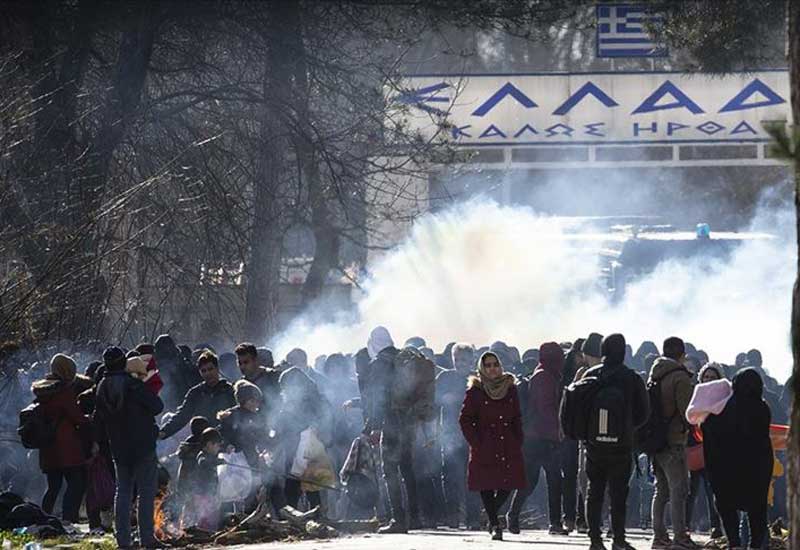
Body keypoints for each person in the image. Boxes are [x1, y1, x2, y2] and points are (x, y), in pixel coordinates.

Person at [94, 346, 164, 549]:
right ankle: (147, 539)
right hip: (142, 445)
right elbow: (157, 406)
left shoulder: (101, 387)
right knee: (146, 492)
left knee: (122, 492)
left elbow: (98, 420)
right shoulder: (133, 385)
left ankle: (123, 541)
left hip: (118, 447)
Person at [583, 334, 649, 550]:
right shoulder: (631, 378)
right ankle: (618, 539)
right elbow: (644, 412)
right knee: (619, 494)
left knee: (595, 492)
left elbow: (578, 409)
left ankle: (595, 539)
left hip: (594, 445)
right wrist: (628, 429)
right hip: (621, 445)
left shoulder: (590, 375)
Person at [459, 351, 526, 541]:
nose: (492, 368)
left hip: (508, 442)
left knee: (509, 482)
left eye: (495, 364)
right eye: (487, 365)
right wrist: (476, 441)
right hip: (485, 443)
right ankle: (495, 524)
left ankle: (491, 513)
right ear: (482, 368)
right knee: (486, 484)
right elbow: (465, 419)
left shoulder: (510, 387)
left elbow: (517, 416)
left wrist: (518, 437)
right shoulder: (476, 391)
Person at [702, 369, 772, 550]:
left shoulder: (724, 408)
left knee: (727, 506)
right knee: (757, 509)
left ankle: (734, 543)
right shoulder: (762, 408)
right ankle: (755, 545)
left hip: (727, 471)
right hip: (756, 470)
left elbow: (709, 430)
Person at [507, 342, 567, 535]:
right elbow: (545, 409)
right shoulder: (544, 377)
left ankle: (552, 522)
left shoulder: (547, 374)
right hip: (540, 438)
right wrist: (557, 432)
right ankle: (518, 516)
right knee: (540, 480)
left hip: (538, 437)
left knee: (545, 480)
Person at [649, 337, 699, 550]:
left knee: (661, 491)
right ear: (682, 354)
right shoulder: (679, 377)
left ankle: (659, 536)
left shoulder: (655, 374)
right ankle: (680, 536)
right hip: (674, 440)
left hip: (655, 441)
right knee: (679, 491)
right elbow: (687, 411)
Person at [32, 353, 91, 524]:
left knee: (53, 487)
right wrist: (89, 420)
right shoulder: (63, 392)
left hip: (48, 447)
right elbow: (77, 417)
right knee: (76, 484)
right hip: (66, 447)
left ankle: (42, 518)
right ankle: (68, 519)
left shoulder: (43, 390)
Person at [437, 343, 482, 530]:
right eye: (457, 360)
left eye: (464, 360)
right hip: (450, 434)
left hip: (473, 436)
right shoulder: (445, 377)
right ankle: (453, 517)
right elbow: (433, 400)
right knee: (451, 477)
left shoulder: (478, 380)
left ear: (471, 360)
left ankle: (473, 519)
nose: (460, 363)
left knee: (474, 478)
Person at [159, 350, 235, 440]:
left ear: (217, 369)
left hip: (227, 441)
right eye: (203, 371)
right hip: (203, 442)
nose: (207, 373)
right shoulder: (196, 393)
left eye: (210, 369)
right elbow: (182, 416)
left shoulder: (230, 391)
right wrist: (164, 432)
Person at [686, 364, 723, 539]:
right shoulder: (695, 395)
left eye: (712, 377)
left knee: (712, 492)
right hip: (693, 449)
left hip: (714, 451)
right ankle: (684, 526)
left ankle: (716, 527)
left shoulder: (723, 397)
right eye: (706, 377)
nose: (708, 380)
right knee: (689, 492)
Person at [561, 338, 586, 532]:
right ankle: (568, 517)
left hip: (584, 432)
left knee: (583, 477)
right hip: (569, 432)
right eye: (579, 355)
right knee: (569, 476)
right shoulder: (565, 374)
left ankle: (581, 517)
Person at [235, 343, 281, 424]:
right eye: (240, 363)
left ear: (255, 360)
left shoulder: (273, 377)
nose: (242, 367)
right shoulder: (241, 385)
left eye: (246, 362)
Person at [192, 428, 225, 530]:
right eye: (217, 445)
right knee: (204, 518)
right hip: (203, 494)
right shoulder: (202, 456)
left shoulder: (211, 456)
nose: (218, 448)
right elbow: (203, 462)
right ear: (209, 444)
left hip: (211, 493)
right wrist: (217, 461)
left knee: (213, 518)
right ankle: (204, 535)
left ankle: (211, 533)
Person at [176, 416, 211, 506]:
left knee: (188, 505)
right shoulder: (201, 445)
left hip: (186, 480)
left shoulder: (188, 442)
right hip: (195, 482)